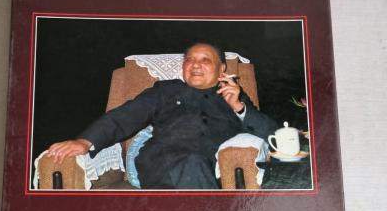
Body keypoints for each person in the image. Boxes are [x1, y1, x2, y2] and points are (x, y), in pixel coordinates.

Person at [47, 43, 277, 188]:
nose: (195, 65)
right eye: (189, 60)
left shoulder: (234, 96)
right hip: (161, 162)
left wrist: (238, 107)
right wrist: (85, 141)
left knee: (195, 165)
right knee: (192, 164)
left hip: (211, 167)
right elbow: (125, 115)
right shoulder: (167, 90)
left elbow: (272, 137)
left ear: (222, 69)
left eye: (205, 60)